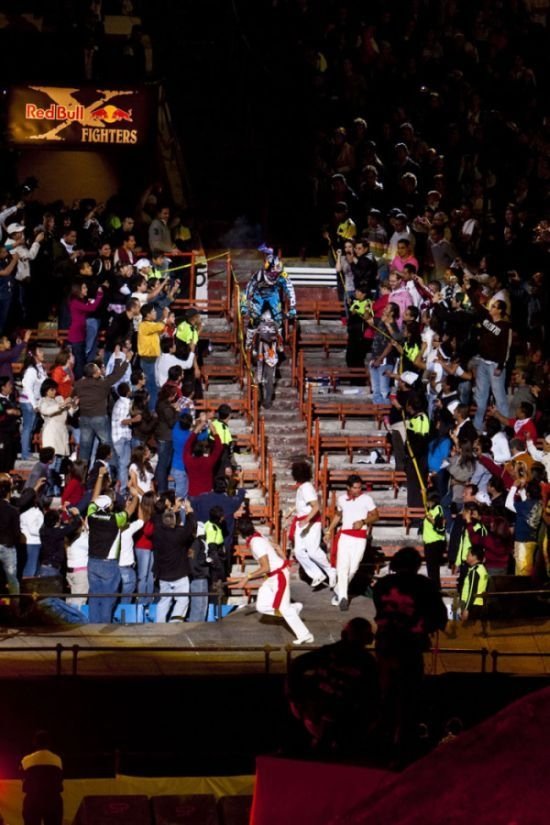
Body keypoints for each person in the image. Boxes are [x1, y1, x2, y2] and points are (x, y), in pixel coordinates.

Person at [286, 618, 379, 755]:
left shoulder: (330, 653)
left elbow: (297, 665)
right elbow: (373, 698)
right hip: (330, 718)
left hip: (333, 718)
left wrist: (294, 698)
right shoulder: (367, 663)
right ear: (369, 638)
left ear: (343, 634)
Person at [235, 519, 314, 645]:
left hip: (278, 576)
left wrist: (247, 577)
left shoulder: (256, 543)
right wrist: (285, 561)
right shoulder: (258, 535)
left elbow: (265, 567)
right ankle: (294, 608)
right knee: (261, 606)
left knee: (284, 608)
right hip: (271, 577)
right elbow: (276, 546)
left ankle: (305, 635)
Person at [86, 469, 138, 623]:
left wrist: (100, 475)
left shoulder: (91, 515)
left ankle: (93, 626)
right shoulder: (115, 519)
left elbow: (93, 499)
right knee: (109, 599)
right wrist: (135, 497)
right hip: (108, 564)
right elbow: (129, 511)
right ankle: (104, 625)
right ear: (110, 506)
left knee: (95, 596)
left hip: (92, 562)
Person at [324, 474, 379, 611]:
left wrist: (363, 522)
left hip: (360, 537)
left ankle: (338, 589)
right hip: (345, 536)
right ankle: (343, 597)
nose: (358, 490)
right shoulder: (342, 499)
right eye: (355, 488)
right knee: (342, 567)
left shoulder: (367, 499)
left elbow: (376, 515)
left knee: (353, 568)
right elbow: (338, 515)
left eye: (360, 487)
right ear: (348, 487)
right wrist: (329, 530)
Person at [73, 350, 131, 465]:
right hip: (99, 417)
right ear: (94, 374)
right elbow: (117, 375)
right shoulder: (102, 383)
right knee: (107, 445)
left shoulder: (78, 384)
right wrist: (125, 360)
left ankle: (81, 474)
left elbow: (73, 395)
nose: (100, 370)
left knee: (84, 447)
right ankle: (112, 471)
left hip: (84, 418)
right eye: (98, 370)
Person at [289, 460, 334, 589]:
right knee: (299, 552)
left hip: (310, 522)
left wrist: (307, 520)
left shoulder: (307, 487)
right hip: (301, 522)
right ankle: (317, 574)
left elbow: (316, 507)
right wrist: (293, 511)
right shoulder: (302, 487)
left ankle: (331, 570)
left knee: (313, 551)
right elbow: (303, 505)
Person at [241, 246, 297, 347]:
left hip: (273, 295)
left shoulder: (282, 275)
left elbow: (290, 289)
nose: (274, 275)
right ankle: (248, 342)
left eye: (277, 272)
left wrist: (293, 307)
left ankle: (280, 341)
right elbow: (248, 289)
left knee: (278, 318)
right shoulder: (259, 275)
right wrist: (244, 305)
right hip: (259, 296)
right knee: (254, 318)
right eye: (273, 272)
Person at [153, 503, 196, 623]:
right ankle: (175, 622)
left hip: (163, 574)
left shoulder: (157, 533)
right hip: (179, 574)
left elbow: (158, 520)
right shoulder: (179, 534)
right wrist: (189, 511)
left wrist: (173, 510)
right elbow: (190, 527)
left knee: (164, 600)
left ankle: (159, 623)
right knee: (182, 600)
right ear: (175, 521)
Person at [20, 730, 63, 825]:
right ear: (49, 743)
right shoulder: (57, 759)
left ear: (34, 742)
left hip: (33, 799)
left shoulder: (26, 760)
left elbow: (22, 777)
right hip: (53, 799)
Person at [421, 491, 446, 589]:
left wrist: (432, 521)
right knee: (431, 569)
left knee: (433, 569)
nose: (425, 502)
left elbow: (441, 527)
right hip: (429, 543)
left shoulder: (438, 509)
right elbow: (424, 503)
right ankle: (433, 588)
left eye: (427, 500)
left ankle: (435, 589)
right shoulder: (430, 510)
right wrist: (423, 493)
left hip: (435, 543)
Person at [0, 477, 20, 596]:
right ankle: (15, 609)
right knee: (12, 580)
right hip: (8, 547)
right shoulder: (13, 510)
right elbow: (16, 533)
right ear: (9, 493)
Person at [460, 546, 489, 623]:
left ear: (474, 557)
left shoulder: (474, 571)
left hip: (472, 605)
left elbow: (472, 591)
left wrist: (466, 609)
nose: (466, 556)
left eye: (468, 554)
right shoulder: (483, 568)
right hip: (479, 603)